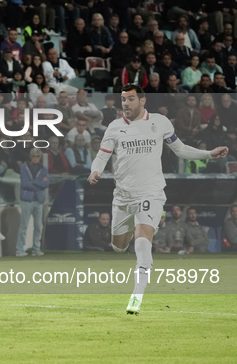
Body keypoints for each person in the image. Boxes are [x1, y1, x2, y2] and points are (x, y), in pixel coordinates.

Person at [87, 84, 228, 315]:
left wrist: (208, 153)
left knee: (142, 242)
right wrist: (95, 170)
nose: (125, 103)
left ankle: (136, 297)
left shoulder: (160, 122)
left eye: (130, 99)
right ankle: (135, 229)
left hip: (151, 193)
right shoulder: (114, 127)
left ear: (142, 101)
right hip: (123, 196)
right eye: (123, 99)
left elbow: (180, 149)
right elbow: (102, 155)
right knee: (118, 247)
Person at [16, 148, 49, 257]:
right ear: (30, 157)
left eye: (37, 156)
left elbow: (46, 184)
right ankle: (19, 249)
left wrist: (33, 182)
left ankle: (36, 248)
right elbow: (25, 184)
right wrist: (39, 184)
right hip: (27, 200)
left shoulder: (43, 168)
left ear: (40, 157)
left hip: (38, 200)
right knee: (24, 225)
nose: (35, 158)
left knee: (38, 226)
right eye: (34, 156)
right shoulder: (24, 167)